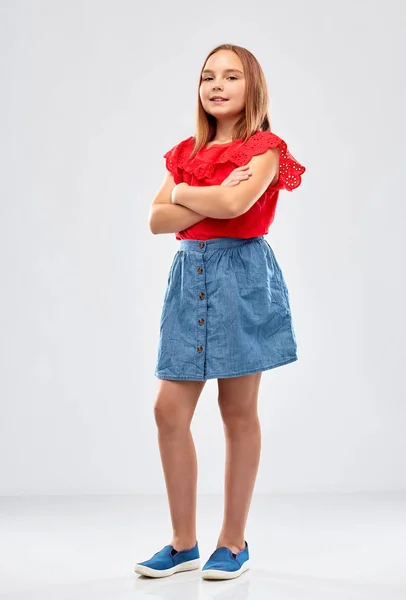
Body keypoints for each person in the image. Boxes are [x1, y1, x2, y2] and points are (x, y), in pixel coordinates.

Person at [134, 43, 306, 581]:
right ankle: (184, 543)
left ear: (252, 87)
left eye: (232, 77)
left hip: (241, 278)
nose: (217, 85)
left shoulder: (265, 149)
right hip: (190, 279)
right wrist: (194, 189)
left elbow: (236, 208)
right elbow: (157, 220)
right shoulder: (185, 151)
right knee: (169, 410)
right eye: (208, 76)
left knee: (237, 412)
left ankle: (233, 541)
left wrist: (186, 197)